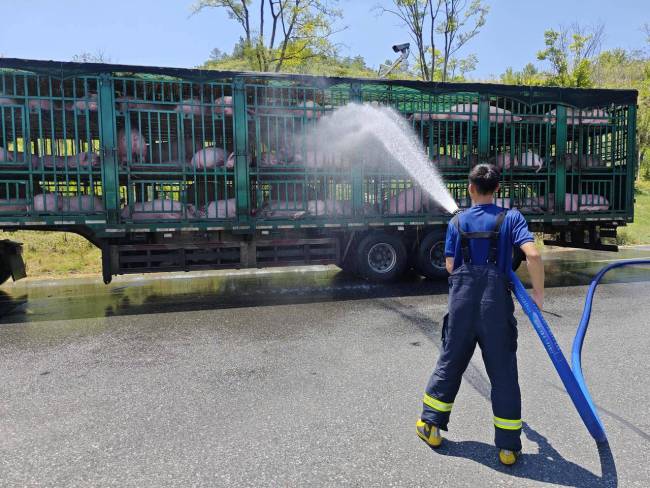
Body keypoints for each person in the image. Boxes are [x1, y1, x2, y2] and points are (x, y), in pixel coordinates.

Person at [416, 163, 545, 466]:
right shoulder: (511, 218)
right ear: (497, 190)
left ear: (471, 188)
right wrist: (537, 296)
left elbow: (450, 267)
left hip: (461, 305)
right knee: (503, 374)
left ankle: (431, 426)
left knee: (450, 363)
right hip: (495, 307)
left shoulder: (457, 222)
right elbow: (534, 255)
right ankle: (508, 448)